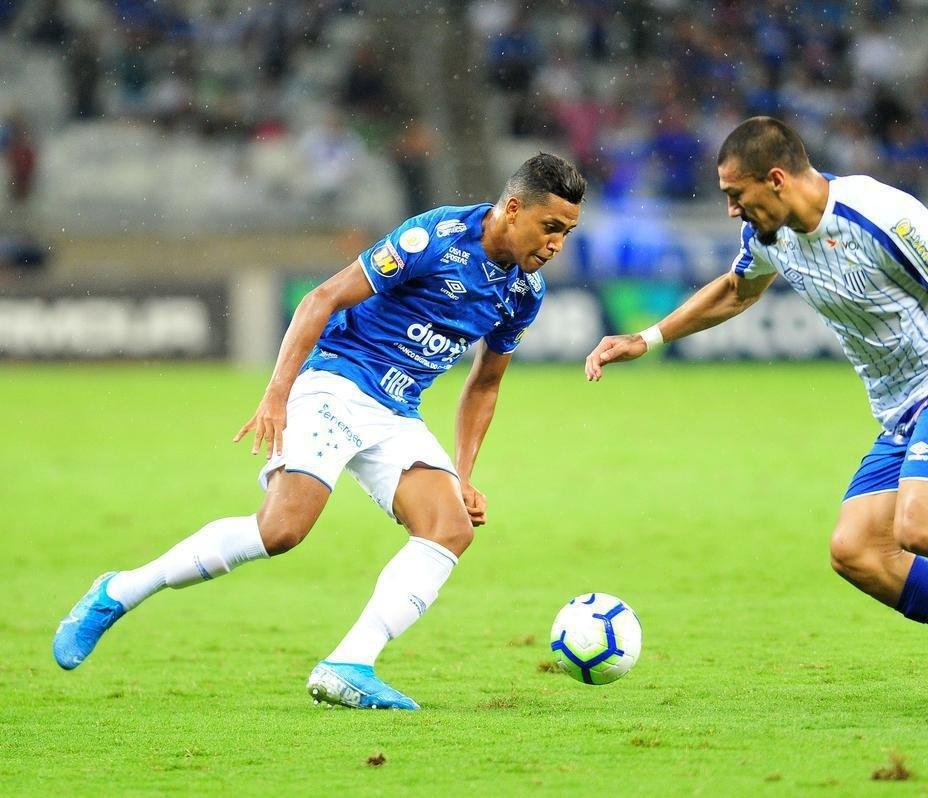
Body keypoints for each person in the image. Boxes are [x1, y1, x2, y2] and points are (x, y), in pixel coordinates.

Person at [584, 117, 928, 715]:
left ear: (775, 179)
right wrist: (648, 338)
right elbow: (737, 290)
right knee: (857, 550)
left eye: (735, 195)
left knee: (924, 525)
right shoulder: (770, 238)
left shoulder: (878, 212)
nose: (730, 210)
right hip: (901, 408)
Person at [54, 153, 586, 710]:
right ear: (513, 207)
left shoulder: (524, 294)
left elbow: (485, 384)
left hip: (396, 409)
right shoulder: (436, 237)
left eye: (567, 233)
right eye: (550, 227)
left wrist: (463, 474)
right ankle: (118, 591)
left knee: (450, 528)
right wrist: (277, 393)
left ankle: (348, 665)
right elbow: (322, 298)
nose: (555, 245)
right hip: (336, 380)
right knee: (280, 531)